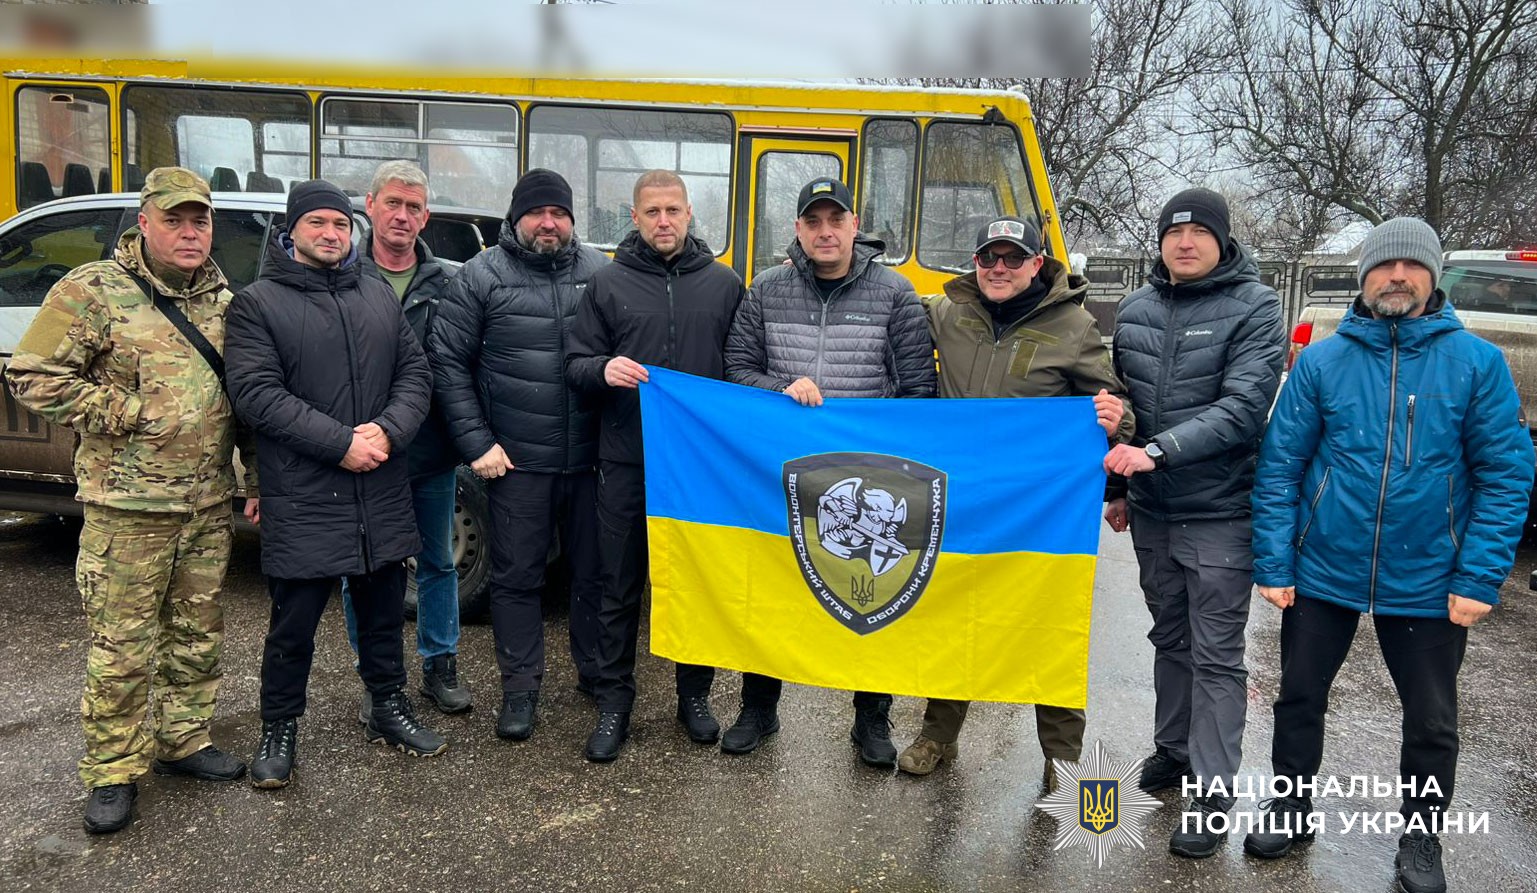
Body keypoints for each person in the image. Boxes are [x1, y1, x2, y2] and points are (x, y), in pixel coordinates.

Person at [1245, 217, 1534, 893]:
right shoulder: (1321, 360)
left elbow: (1504, 474)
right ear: (1362, 276)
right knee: (1297, 698)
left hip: (1431, 575)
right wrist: (1274, 563)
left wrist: (1479, 575)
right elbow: (1279, 464)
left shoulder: (1476, 363)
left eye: (1410, 264)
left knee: (1431, 718)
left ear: (1432, 276)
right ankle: (1290, 805)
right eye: (1382, 265)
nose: (1395, 276)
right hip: (1323, 569)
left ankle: (1421, 836)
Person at [5, 167, 253, 833]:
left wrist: (253, 480)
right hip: (128, 508)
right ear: (143, 223)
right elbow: (29, 372)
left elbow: (247, 403)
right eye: (174, 219)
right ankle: (113, 769)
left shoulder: (223, 301)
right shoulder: (94, 290)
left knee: (196, 634)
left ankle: (183, 741)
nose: (189, 231)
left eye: (199, 220)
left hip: (205, 504)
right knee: (122, 646)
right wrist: (126, 410)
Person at [898, 216, 1134, 782]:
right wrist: (794, 268)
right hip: (961, 501)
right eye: (988, 258)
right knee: (954, 617)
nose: (999, 269)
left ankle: (1062, 756)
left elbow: (1113, 404)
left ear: (1037, 264)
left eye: (1012, 258)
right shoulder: (947, 314)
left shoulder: (1075, 327)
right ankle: (938, 734)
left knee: (1046, 624)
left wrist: (1117, 422)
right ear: (975, 263)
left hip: (1037, 511)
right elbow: (888, 306)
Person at [225, 179, 441, 789]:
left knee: (381, 613)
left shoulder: (375, 294)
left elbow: (414, 372)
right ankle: (279, 728)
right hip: (306, 491)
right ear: (292, 231)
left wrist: (387, 433)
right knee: (293, 625)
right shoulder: (257, 305)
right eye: (317, 222)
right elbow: (258, 395)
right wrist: (342, 444)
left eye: (340, 225)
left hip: (378, 484)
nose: (330, 234)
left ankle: (388, 706)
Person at [723, 176, 936, 769]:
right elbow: (736, 367)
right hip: (781, 470)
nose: (824, 231)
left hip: (869, 477)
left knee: (869, 593)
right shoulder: (765, 290)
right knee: (772, 588)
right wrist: (781, 388)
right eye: (812, 221)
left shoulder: (896, 294)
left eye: (834, 220)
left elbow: (919, 390)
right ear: (798, 230)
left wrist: (873, 435)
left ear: (852, 224)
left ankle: (871, 719)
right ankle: (758, 709)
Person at [1103, 187, 1285, 857]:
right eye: (1173, 232)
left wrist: (1152, 453)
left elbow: (1242, 408)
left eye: (1198, 232)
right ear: (1159, 242)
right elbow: (1121, 410)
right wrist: (1116, 486)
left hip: (1218, 512)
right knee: (1168, 637)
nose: (1184, 242)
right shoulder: (1134, 309)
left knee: (1215, 654)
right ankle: (1172, 750)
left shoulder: (1256, 307)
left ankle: (1211, 792)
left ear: (1219, 238)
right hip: (1152, 511)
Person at [565, 170, 745, 762]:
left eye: (673, 210)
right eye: (651, 212)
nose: (663, 221)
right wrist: (603, 369)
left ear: (690, 214)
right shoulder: (607, 283)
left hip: (701, 469)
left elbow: (743, 366)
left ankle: (693, 698)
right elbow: (575, 363)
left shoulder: (723, 285)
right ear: (635, 218)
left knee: (697, 586)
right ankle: (615, 701)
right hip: (626, 460)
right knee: (618, 586)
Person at [429, 169, 608, 743]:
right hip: (514, 463)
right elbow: (447, 362)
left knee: (593, 576)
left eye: (560, 212)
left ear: (573, 219)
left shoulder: (602, 274)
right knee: (516, 580)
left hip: (590, 462)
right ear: (516, 217)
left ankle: (597, 674)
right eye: (537, 212)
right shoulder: (482, 277)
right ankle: (520, 689)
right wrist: (476, 443)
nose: (549, 223)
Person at [340, 160, 470, 721]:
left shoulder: (450, 281)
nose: (402, 216)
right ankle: (376, 676)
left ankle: (440, 665)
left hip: (429, 451)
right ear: (369, 206)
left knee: (438, 561)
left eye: (413, 207)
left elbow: (463, 362)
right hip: (360, 451)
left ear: (426, 217)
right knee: (362, 567)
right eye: (392, 203)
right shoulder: (342, 276)